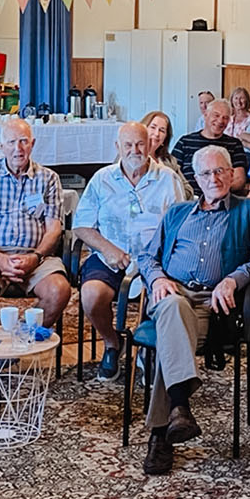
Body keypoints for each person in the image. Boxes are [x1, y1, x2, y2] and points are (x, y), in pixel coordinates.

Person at [135, 145, 250, 475]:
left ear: (232, 174)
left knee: (170, 337)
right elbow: (147, 257)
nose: (215, 178)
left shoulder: (249, 211)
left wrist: (234, 280)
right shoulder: (177, 213)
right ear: (196, 179)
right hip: (174, 294)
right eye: (207, 173)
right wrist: (156, 279)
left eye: (221, 171)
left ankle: (162, 436)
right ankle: (178, 407)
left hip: (215, 304)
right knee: (170, 306)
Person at [74, 122, 186, 381]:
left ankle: (150, 352)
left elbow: (181, 226)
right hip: (110, 256)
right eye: (128, 145)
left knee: (162, 297)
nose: (135, 150)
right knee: (91, 296)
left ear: (149, 145)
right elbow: (81, 225)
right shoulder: (102, 179)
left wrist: (159, 261)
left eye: (140, 144)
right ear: (118, 147)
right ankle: (113, 343)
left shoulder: (167, 179)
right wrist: (108, 248)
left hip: (155, 260)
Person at [0, 118, 71, 330]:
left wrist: (35, 257)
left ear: (33, 144)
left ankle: (19, 338)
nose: (17, 149)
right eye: (11, 142)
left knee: (60, 290)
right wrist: (0, 260)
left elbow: (54, 229)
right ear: (1, 146)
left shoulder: (48, 178)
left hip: (35, 255)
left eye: (23, 141)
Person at [171, 99, 249, 194]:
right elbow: (172, 174)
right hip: (189, 198)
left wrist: (214, 192)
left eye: (225, 118)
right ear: (205, 115)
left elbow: (239, 180)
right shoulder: (185, 142)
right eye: (216, 115)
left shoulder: (235, 144)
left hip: (223, 199)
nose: (220, 121)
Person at [140, 110, 192, 198]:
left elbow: (188, 191)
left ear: (165, 138)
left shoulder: (169, 161)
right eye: (153, 127)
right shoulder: (130, 157)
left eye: (162, 130)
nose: (157, 134)